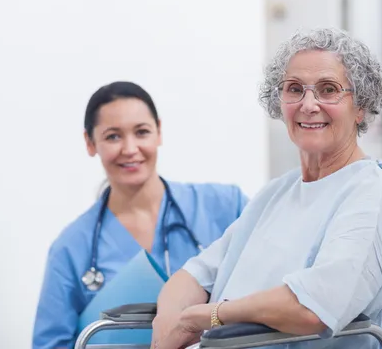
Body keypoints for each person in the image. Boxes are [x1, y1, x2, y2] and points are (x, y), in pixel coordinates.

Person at [151, 28, 382, 349]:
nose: (308, 104)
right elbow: (194, 275)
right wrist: (167, 321)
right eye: (294, 89)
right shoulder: (277, 193)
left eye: (328, 90)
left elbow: (313, 307)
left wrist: (210, 316)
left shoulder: (372, 195)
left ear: (361, 105)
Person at [32, 81, 249, 349]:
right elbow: (50, 344)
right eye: (113, 136)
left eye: (142, 132)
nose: (130, 148)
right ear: (90, 143)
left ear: (158, 132)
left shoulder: (226, 205)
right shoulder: (71, 248)